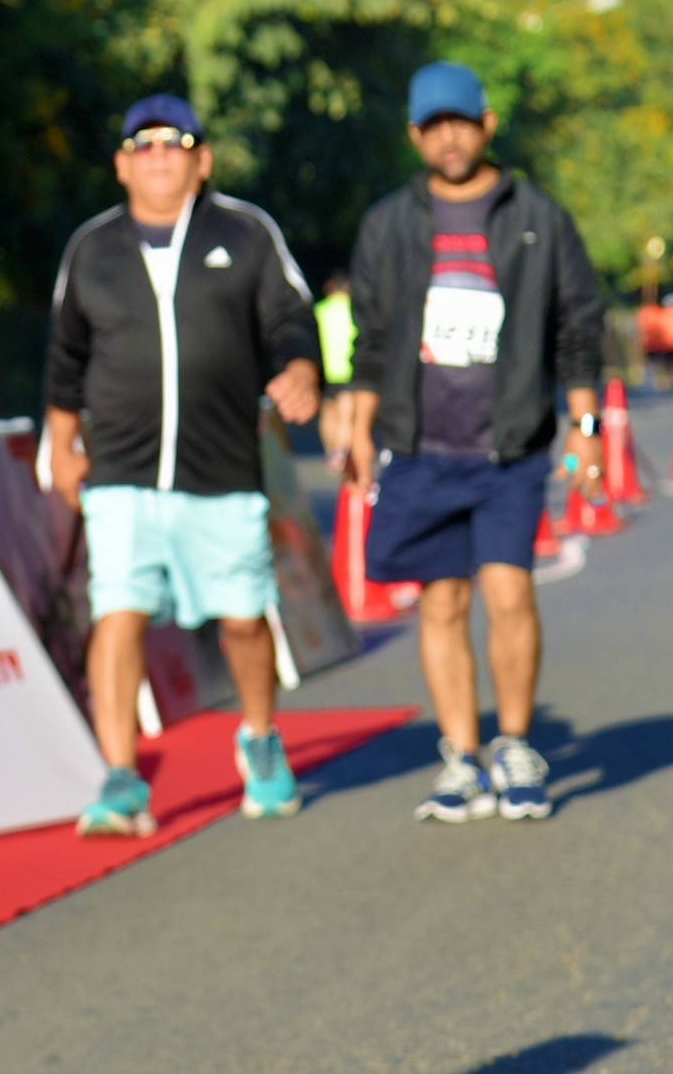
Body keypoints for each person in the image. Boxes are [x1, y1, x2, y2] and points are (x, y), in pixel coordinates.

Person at [43, 94, 323, 837]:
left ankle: (259, 739)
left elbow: (290, 317)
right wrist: (61, 442)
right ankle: (121, 776)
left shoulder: (245, 233)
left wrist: (300, 367)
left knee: (243, 620)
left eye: (176, 143)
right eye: (144, 145)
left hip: (221, 469)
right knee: (117, 613)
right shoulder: (92, 249)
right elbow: (65, 356)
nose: (159, 156)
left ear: (202, 161)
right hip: (120, 472)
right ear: (121, 164)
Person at [346, 62, 605, 823]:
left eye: (460, 122)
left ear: (487, 124)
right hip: (421, 446)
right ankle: (461, 756)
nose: (449, 138)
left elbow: (578, 326)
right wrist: (357, 428)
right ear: (413, 136)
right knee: (442, 601)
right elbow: (371, 339)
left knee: (508, 590)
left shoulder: (536, 216)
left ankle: (514, 745)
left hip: (509, 447)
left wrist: (586, 427)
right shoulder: (389, 224)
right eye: (433, 127)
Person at [315, 271, 358, 479]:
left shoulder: (320, 310)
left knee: (328, 411)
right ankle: (341, 454)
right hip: (348, 367)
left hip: (326, 368)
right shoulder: (355, 310)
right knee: (346, 413)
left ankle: (330, 451)